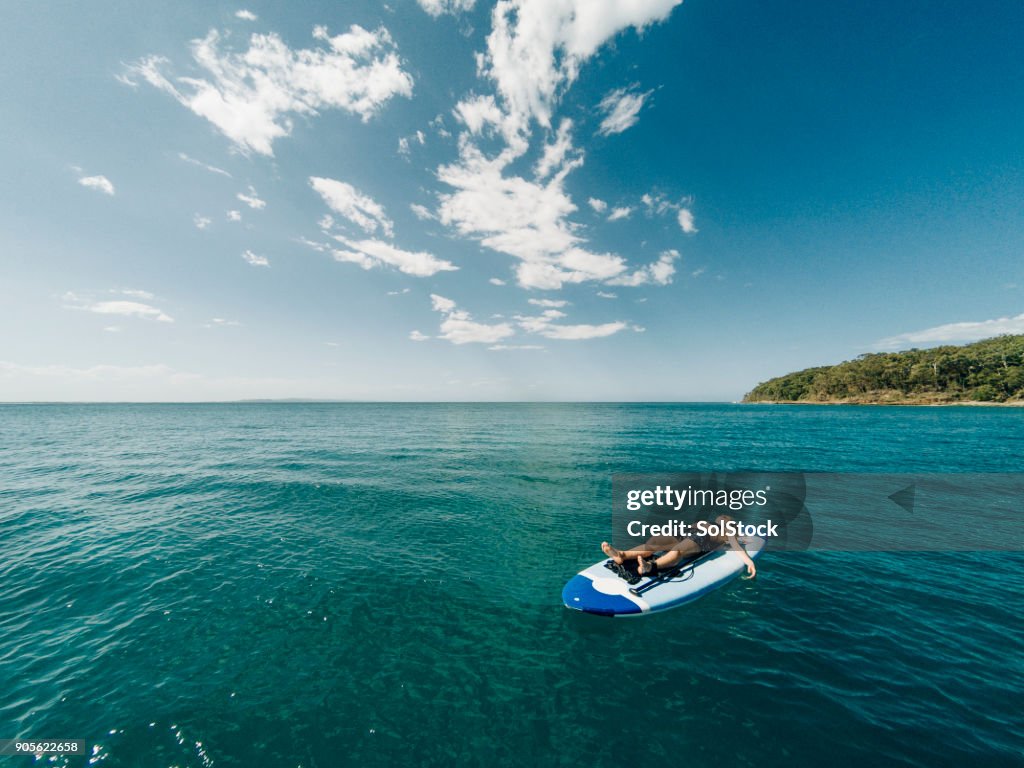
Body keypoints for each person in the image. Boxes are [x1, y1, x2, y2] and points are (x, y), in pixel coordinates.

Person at [601, 514, 757, 578]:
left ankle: (651, 566)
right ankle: (622, 555)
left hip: (702, 538)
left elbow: (737, 546)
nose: (723, 517)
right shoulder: (708, 522)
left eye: (727, 519)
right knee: (653, 542)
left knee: (677, 551)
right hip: (687, 531)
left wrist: (749, 562)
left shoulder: (728, 532)